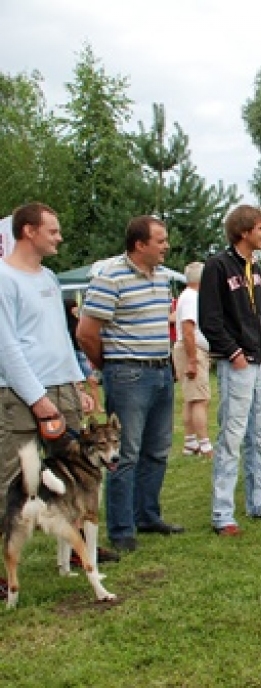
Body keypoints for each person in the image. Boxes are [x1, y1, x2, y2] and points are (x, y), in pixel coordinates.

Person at [0, 203, 109, 594]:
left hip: (61, 387)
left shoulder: (46, 276)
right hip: (20, 392)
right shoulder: (3, 277)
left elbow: (60, 336)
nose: (59, 237)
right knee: (14, 479)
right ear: (29, 232)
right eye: (53, 230)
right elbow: (7, 347)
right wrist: (38, 399)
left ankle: (77, 551)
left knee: (75, 473)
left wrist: (76, 383)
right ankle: (7, 569)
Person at [78, 215, 184, 552]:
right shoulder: (110, 277)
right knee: (124, 453)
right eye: (160, 240)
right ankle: (122, 529)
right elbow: (86, 332)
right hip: (128, 374)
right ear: (140, 244)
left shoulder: (164, 277)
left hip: (161, 370)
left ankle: (147, 515)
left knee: (157, 449)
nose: (166, 246)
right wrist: (107, 365)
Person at [198, 204, 261, 537]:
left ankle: (258, 501)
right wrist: (233, 351)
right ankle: (223, 513)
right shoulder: (218, 267)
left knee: (260, 435)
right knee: (232, 437)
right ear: (244, 231)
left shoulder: (257, 269)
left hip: (260, 362)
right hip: (236, 362)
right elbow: (209, 318)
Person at [171, 262, 213, 458]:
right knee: (200, 399)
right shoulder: (192, 298)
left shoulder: (188, 296)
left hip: (190, 349)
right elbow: (188, 329)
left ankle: (190, 442)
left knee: (191, 397)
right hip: (192, 350)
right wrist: (192, 360)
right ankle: (204, 443)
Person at [64, 297, 101, 412]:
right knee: (76, 384)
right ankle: (80, 406)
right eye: (74, 306)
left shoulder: (79, 321)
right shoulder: (64, 324)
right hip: (72, 355)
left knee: (92, 381)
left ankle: (97, 405)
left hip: (81, 353)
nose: (76, 308)